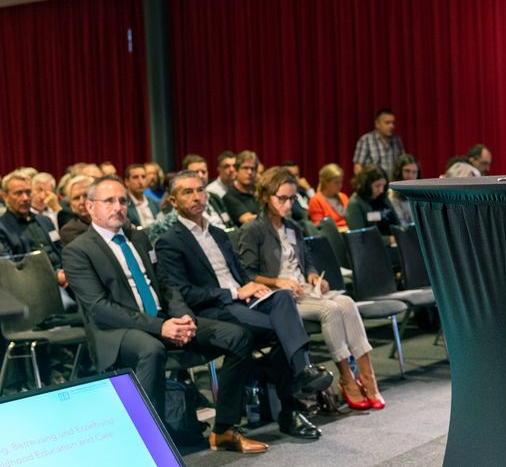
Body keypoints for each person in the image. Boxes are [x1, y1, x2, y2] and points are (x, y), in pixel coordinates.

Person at [62, 176, 268, 454]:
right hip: (115, 331)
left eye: (122, 200)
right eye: (109, 201)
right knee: (152, 350)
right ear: (90, 207)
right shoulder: (78, 250)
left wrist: (183, 318)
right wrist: (161, 327)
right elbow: (100, 308)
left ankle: (224, 430)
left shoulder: (139, 236)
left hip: (163, 321)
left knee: (238, 336)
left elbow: (167, 285)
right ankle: (148, 444)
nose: (118, 207)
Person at [155, 170, 333, 439]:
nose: (196, 197)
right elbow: (185, 292)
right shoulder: (169, 241)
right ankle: (292, 404)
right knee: (281, 332)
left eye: (200, 190)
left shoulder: (219, 233)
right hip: (218, 307)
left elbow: (240, 273)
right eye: (187, 192)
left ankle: (300, 374)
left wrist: (256, 287)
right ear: (173, 201)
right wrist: (235, 293)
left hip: (245, 300)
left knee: (283, 297)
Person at [238, 167, 386, 410]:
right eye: (281, 198)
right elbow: (247, 273)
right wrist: (278, 282)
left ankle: (369, 377)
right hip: (279, 298)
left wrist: (315, 277)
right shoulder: (253, 230)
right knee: (330, 310)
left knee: (347, 302)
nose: (287, 204)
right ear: (265, 197)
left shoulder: (293, 227)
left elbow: (307, 262)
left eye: (291, 198)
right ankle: (348, 378)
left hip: (304, 290)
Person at [0, 171, 73, 311]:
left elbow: (61, 250)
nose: (26, 198)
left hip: (66, 277)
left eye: (28, 192)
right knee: (68, 306)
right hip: (34, 287)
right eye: (18, 193)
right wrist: (54, 278)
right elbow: (10, 268)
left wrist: (69, 272)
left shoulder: (45, 221)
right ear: (5, 196)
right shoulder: (2, 228)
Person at [345, 164, 399, 237]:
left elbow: (397, 224)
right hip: (374, 246)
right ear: (366, 185)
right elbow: (360, 237)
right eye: (377, 186)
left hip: (394, 243)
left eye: (383, 185)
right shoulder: (355, 203)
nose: (381, 190)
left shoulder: (383, 197)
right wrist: (389, 240)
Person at [352, 108, 406, 176]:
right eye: (387, 123)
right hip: (374, 184)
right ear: (377, 124)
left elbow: (403, 163)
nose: (392, 126)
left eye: (393, 123)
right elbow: (357, 168)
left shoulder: (397, 140)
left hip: (393, 184)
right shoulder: (366, 140)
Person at [223, 150, 261, 226]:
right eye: (245, 168)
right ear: (236, 171)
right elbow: (248, 219)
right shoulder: (230, 196)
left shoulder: (260, 191)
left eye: (252, 169)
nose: (249, 172)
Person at [307, 163, 349, 229]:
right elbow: (319, 228)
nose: (340, 186)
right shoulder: (316, 200)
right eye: (336, 183)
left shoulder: (343, 197)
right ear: (325, 182)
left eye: (341, 182)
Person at [59, 175, 94, 246]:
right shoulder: (69, 231)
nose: (82, 202)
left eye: (86, 195)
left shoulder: (111, 221)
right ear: (71, 205)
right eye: (76, 198)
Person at [387, 154, 420, 227]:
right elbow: (401, 225)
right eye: (407, 171)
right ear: (399, 172)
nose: (411, 176)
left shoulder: (419, 193)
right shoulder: (392, 194)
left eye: (414, 172)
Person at [125, 164, 161, 228]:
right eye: (135, 177)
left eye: (143, 177)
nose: (140, 181)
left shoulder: (154, 203)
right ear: (127, 182)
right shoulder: (124, 205)